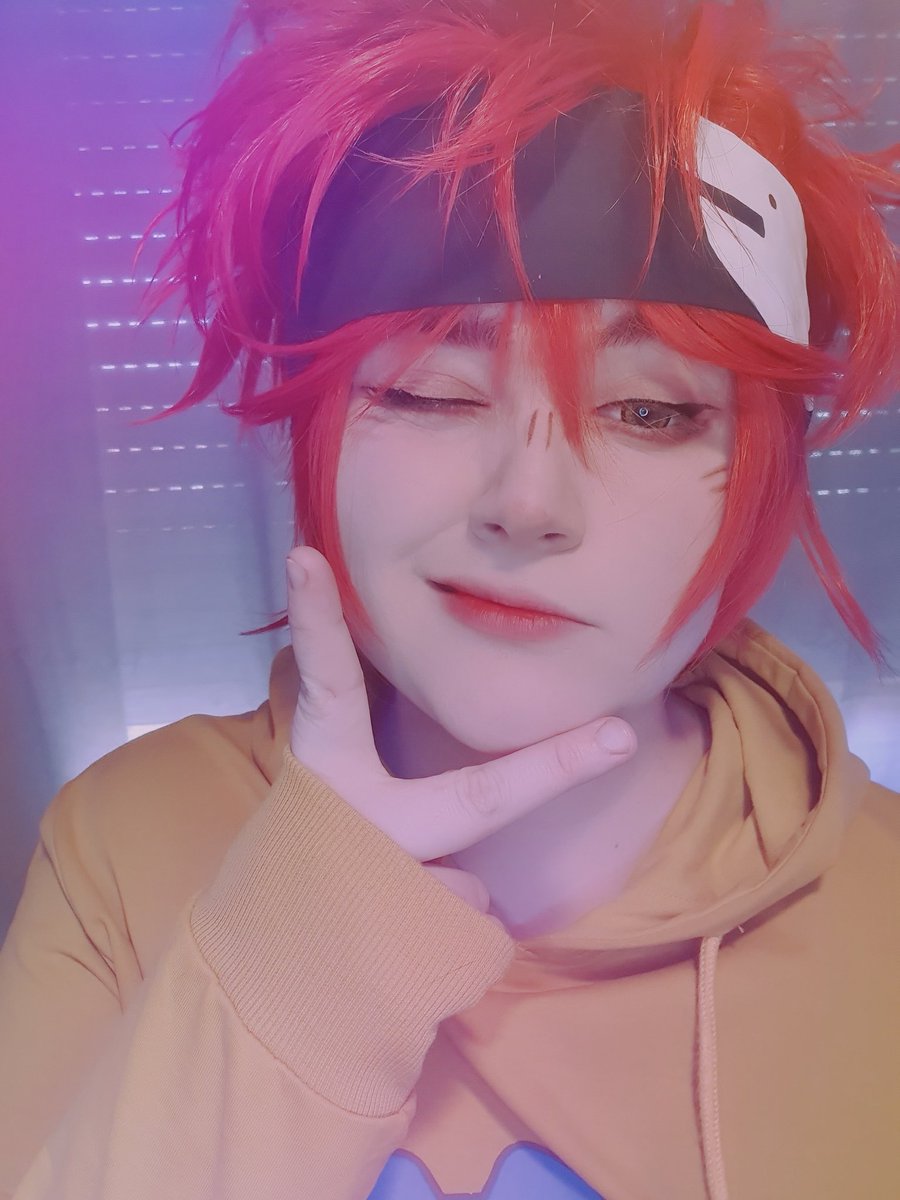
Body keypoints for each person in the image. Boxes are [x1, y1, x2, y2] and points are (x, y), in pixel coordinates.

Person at [0, 0, 898, 1197]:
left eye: (648, 409)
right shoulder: (126, 841)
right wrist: (309, 959)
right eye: (430, 389)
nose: (528, 500)